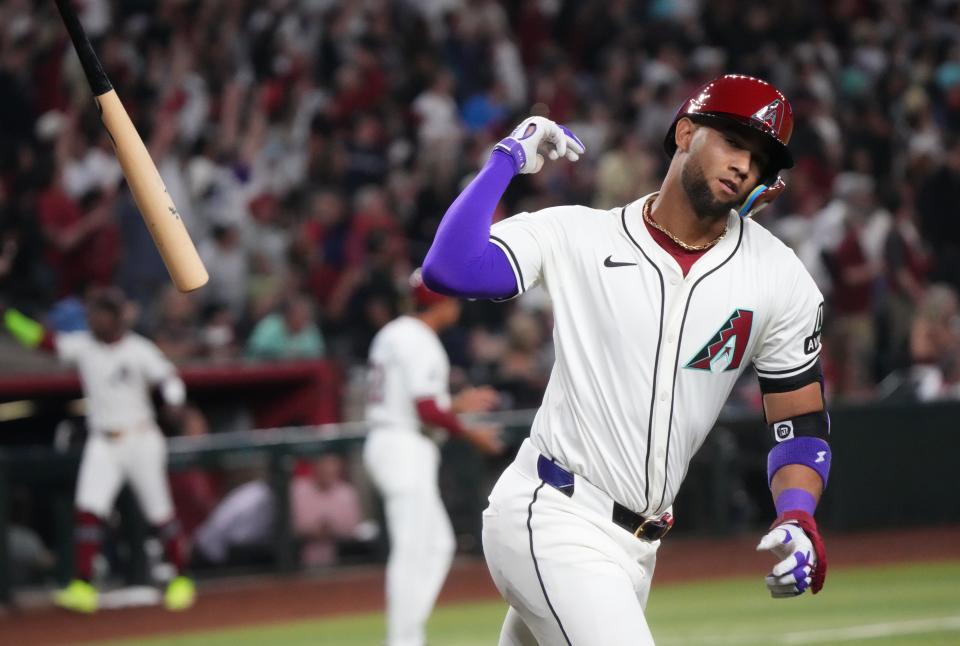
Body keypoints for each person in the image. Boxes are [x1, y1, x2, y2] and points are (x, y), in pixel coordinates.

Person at [423, 74, 832, 645]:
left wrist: (797, 515)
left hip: (638, 549)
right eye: (734, 141)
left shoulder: (778, 276)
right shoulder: (580, 234)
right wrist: (507, 159)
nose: (745, 164)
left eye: (761, 159)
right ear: (686, 131)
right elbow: (451, 267)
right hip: (554, 512)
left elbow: (800, 423)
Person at [1, 288, 195, 612]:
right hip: (103, 441)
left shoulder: (138, 349)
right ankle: (83, 585)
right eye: (92, 314)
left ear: (117, 318)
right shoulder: (85, 347)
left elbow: (169, 378)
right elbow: (45, 342)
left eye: (100, 314)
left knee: (159, 513)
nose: (94, 319)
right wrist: (9, 317)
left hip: (140, 438)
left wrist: (174, 402)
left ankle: (180, 578)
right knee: (89, 509)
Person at [363, 270, 504, 646]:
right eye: (453, 298)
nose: (456, 304)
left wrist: (455, 405)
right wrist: (469, 431)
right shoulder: (418, 339)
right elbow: (425, 408)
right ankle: (403, 640)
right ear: (441, 301)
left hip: (394, 439)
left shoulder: (393, 333)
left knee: (438, 543)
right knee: (412, 548)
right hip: (403, 445)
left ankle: (408, 632)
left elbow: (415, 403)